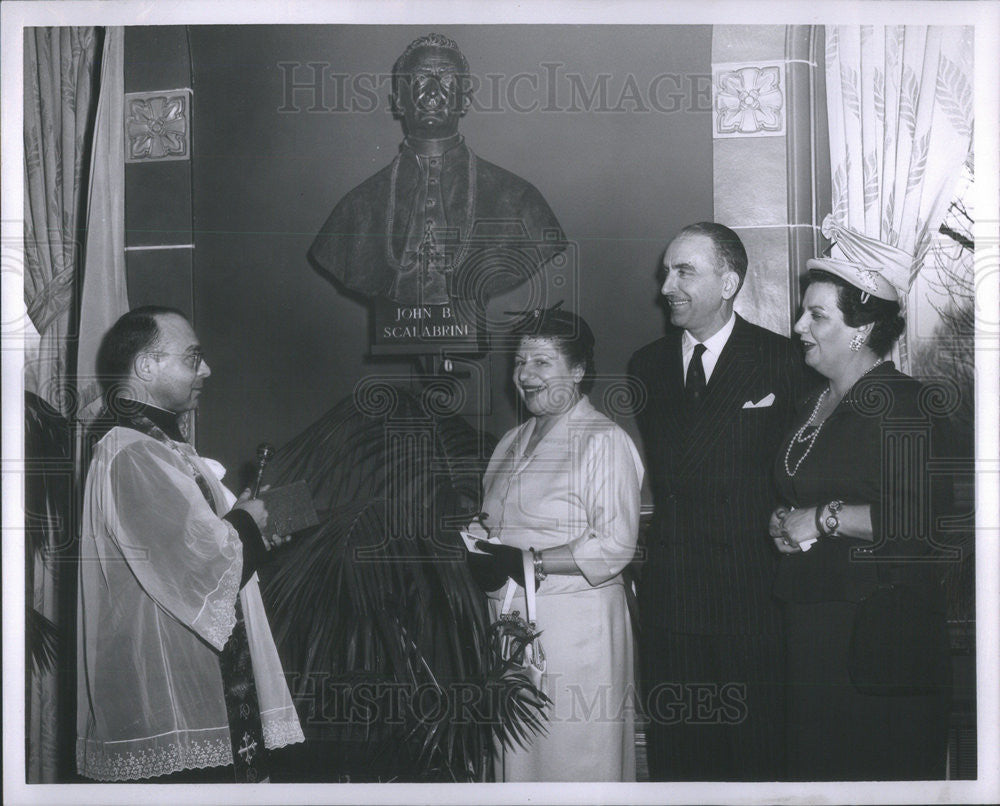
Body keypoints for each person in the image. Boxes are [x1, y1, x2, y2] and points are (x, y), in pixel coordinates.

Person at [76, 306, 304, 782]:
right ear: (146, 366)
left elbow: (189, 542)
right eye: (193, 357)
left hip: (194, 670)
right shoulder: (130, 449)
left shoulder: (155, 443)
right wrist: (247, 523)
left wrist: (244, 522)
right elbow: (201, 568)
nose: (206, 370)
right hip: (167, 687)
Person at [770, 219, 956, 780]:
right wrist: (784, 519)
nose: (799, 325)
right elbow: (801, 487)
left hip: (875, 640)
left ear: (861, 329)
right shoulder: (812, 402)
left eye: (816, 315)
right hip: (811, 628)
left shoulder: (904, 404)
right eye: (804, 312)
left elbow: (924, 522)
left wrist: (821, 520)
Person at [628, 222, 806, 780]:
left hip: (751, 597)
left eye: (685, 271)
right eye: (666, 271)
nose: (666, 286)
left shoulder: (784, 362)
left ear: (728, 282)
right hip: (672, 597)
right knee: (680, 756)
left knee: (754, 757)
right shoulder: (647, 367)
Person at [467, 307, 644, 781]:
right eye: (520, 362)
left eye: (542, 362)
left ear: (579, 371)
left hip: (576, 630)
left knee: (576, 755)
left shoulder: (602, 440)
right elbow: (493, 523)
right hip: (510, 625)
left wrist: (531, 562)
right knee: (520, 761)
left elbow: (615, 544)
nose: (525, 375)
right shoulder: (511, 440)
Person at [309, 33, 565, 306]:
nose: (432, 91)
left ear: (465, 99)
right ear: (398, 100)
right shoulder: (357, 208)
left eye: (445, 77)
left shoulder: (519, 200)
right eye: (420, 77)